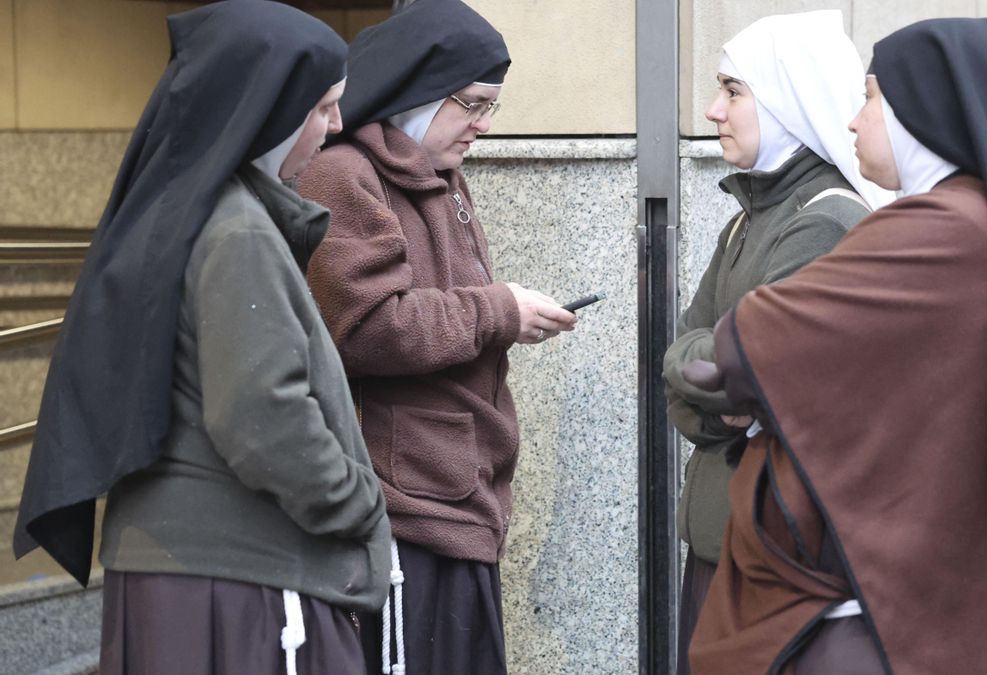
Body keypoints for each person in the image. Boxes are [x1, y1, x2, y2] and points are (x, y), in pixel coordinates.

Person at [683, 17, 987, 675]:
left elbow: (744, 347)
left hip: (939, 598)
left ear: (922, 110)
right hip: (984, 569)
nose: (855, 122)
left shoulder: (938, 233)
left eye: (870, 99)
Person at [12, 2, 391, 673]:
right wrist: (362, 502)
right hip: (234, 583)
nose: (336, 127)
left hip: (192, 574)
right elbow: (264, 420)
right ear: (271, 110)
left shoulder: (185, 209)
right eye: (324, 107)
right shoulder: (237, 228)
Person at [295, 2, 576, 673]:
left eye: (491, 109)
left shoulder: (442, 175)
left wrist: (500, 310)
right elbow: (370, 327)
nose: (482, 127)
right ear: (419, 92)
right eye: (472, 105)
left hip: (460, 499)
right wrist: (500, 309)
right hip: (405, 512)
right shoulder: (344, 174)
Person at [661, 11, 892, 672]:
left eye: (734, 91)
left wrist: (718, 378)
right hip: (725, 546)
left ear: (789, 102)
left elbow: (747, 376)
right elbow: (682, 365)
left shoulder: (825, 224)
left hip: (771, 567)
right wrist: (707, 383)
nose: (712, 110)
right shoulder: (744, 225)